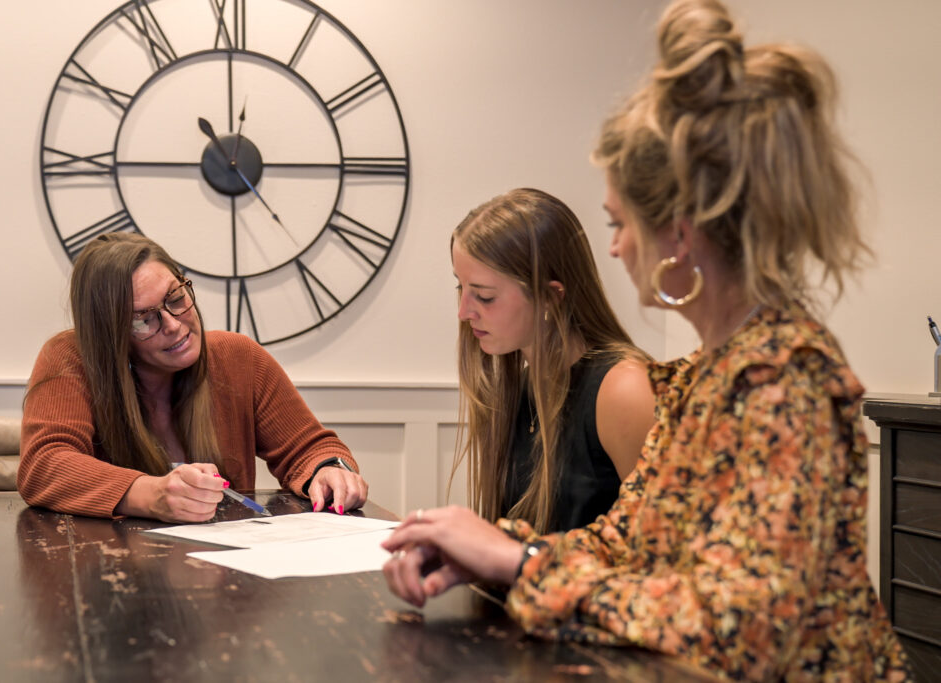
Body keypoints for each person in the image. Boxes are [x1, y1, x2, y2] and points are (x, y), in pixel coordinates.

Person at [382, 0, 909, 678]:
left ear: (679, 236)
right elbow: (628, 538)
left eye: (618, 223)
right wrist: (488, 549)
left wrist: (521, 562)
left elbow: (740, 630)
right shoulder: (706, 376)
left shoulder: (785, 379)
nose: (615, 247)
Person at [18, 233, 368, 522]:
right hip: (108, 571)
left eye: (175, 298)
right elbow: (44, 464)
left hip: (227, 569)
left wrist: (329, 471)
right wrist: (150, 494)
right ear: (110, 336)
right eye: (143, 319)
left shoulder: (238, 357)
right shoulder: (71, 357)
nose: (173, 325)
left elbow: (310, 448)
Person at [450, 188, 653, 533]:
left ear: (550, 296)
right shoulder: (522, 385)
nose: (464, 312)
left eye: (484, 296)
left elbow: (662, 546)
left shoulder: (625, 390)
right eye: (460, 288)